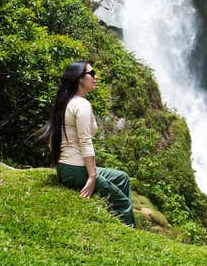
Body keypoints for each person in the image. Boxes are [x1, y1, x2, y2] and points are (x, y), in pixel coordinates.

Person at [38, 60, 135, 226]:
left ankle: (115, 222)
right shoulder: (81, 105)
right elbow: (85, 142)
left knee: (122, 178)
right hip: (77, 169)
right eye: (92, 74)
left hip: (65, 168)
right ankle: (130, 234)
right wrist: (92, 176)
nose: (95, 77)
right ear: (79, 79)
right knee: (123, 203)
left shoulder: (66, 102)